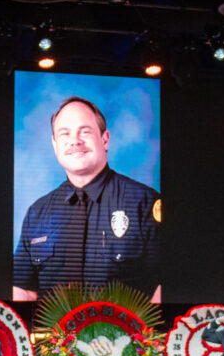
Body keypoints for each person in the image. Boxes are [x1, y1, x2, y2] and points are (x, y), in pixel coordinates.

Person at [12, 96, 161, 303]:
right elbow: (23, 289)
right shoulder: (37, 213)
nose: (75, 141)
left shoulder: (143, 202)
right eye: (65, 134)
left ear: (105, 139)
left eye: (85, 131)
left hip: (125, 333)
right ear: (55, 144)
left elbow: (164, 283)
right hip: (51, 334)